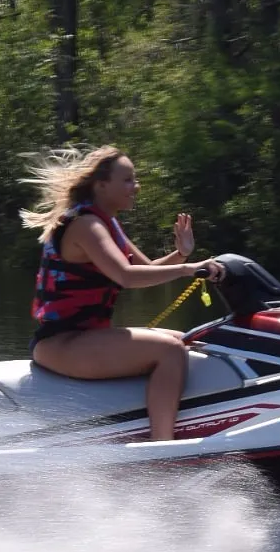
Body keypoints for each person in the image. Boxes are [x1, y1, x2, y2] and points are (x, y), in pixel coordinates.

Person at [24, 146, 225, 441]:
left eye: (135, 179)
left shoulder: (106, 223)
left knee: (189, 339)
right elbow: (126, 276)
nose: (136, 186)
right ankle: (162, 446)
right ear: (102, 185)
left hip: (83, 339)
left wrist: (181, 255)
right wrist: (188, 269)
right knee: (169, 351)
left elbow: (148, 269)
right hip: (62, 342)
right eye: (128, 180)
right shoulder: (86, 225)